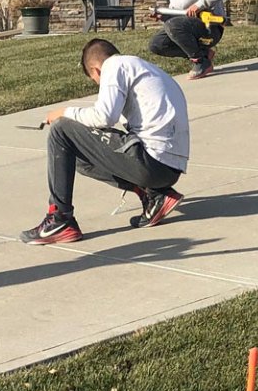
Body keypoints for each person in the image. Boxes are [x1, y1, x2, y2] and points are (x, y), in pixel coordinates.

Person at [21, 38, 190, 245]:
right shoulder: (145, 68)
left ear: (97, 70)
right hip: (168, 169)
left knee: (61, 129)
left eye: (96, 81)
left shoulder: (114, 65)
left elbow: (104, 117)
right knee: (79, 157)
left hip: (152, 163)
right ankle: (155, 195)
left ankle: (60, 219)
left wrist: (64, 112)